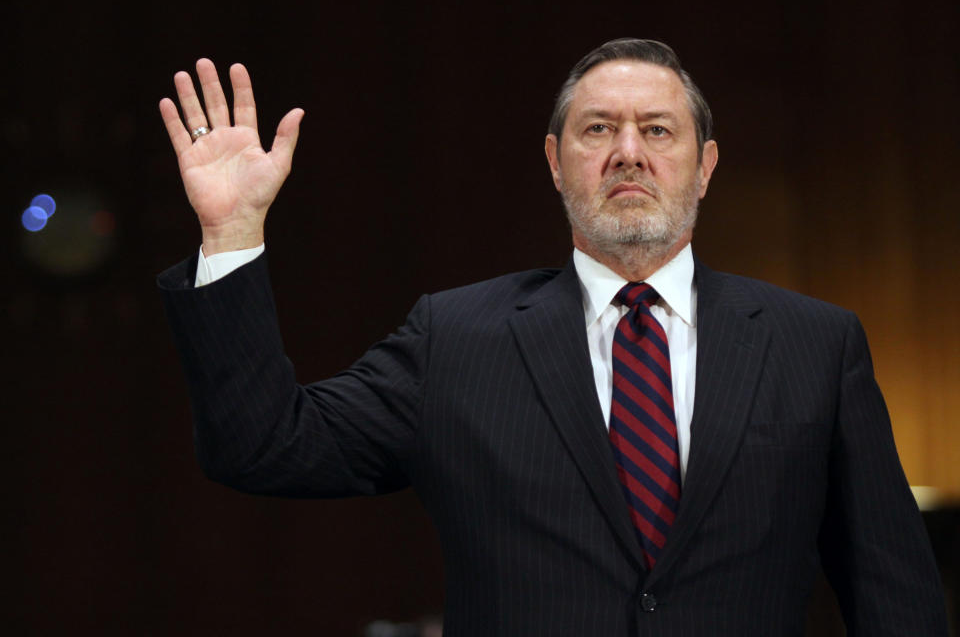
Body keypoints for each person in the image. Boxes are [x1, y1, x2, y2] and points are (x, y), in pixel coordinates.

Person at [157, 39, 948, 636]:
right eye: (597, 129)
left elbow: (894, 596)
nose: (627, 152)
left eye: (659, 131)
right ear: (555, 163)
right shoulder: (455, 338)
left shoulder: (817, 344)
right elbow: (261, 445)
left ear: (705, 166)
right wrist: (232, 232)